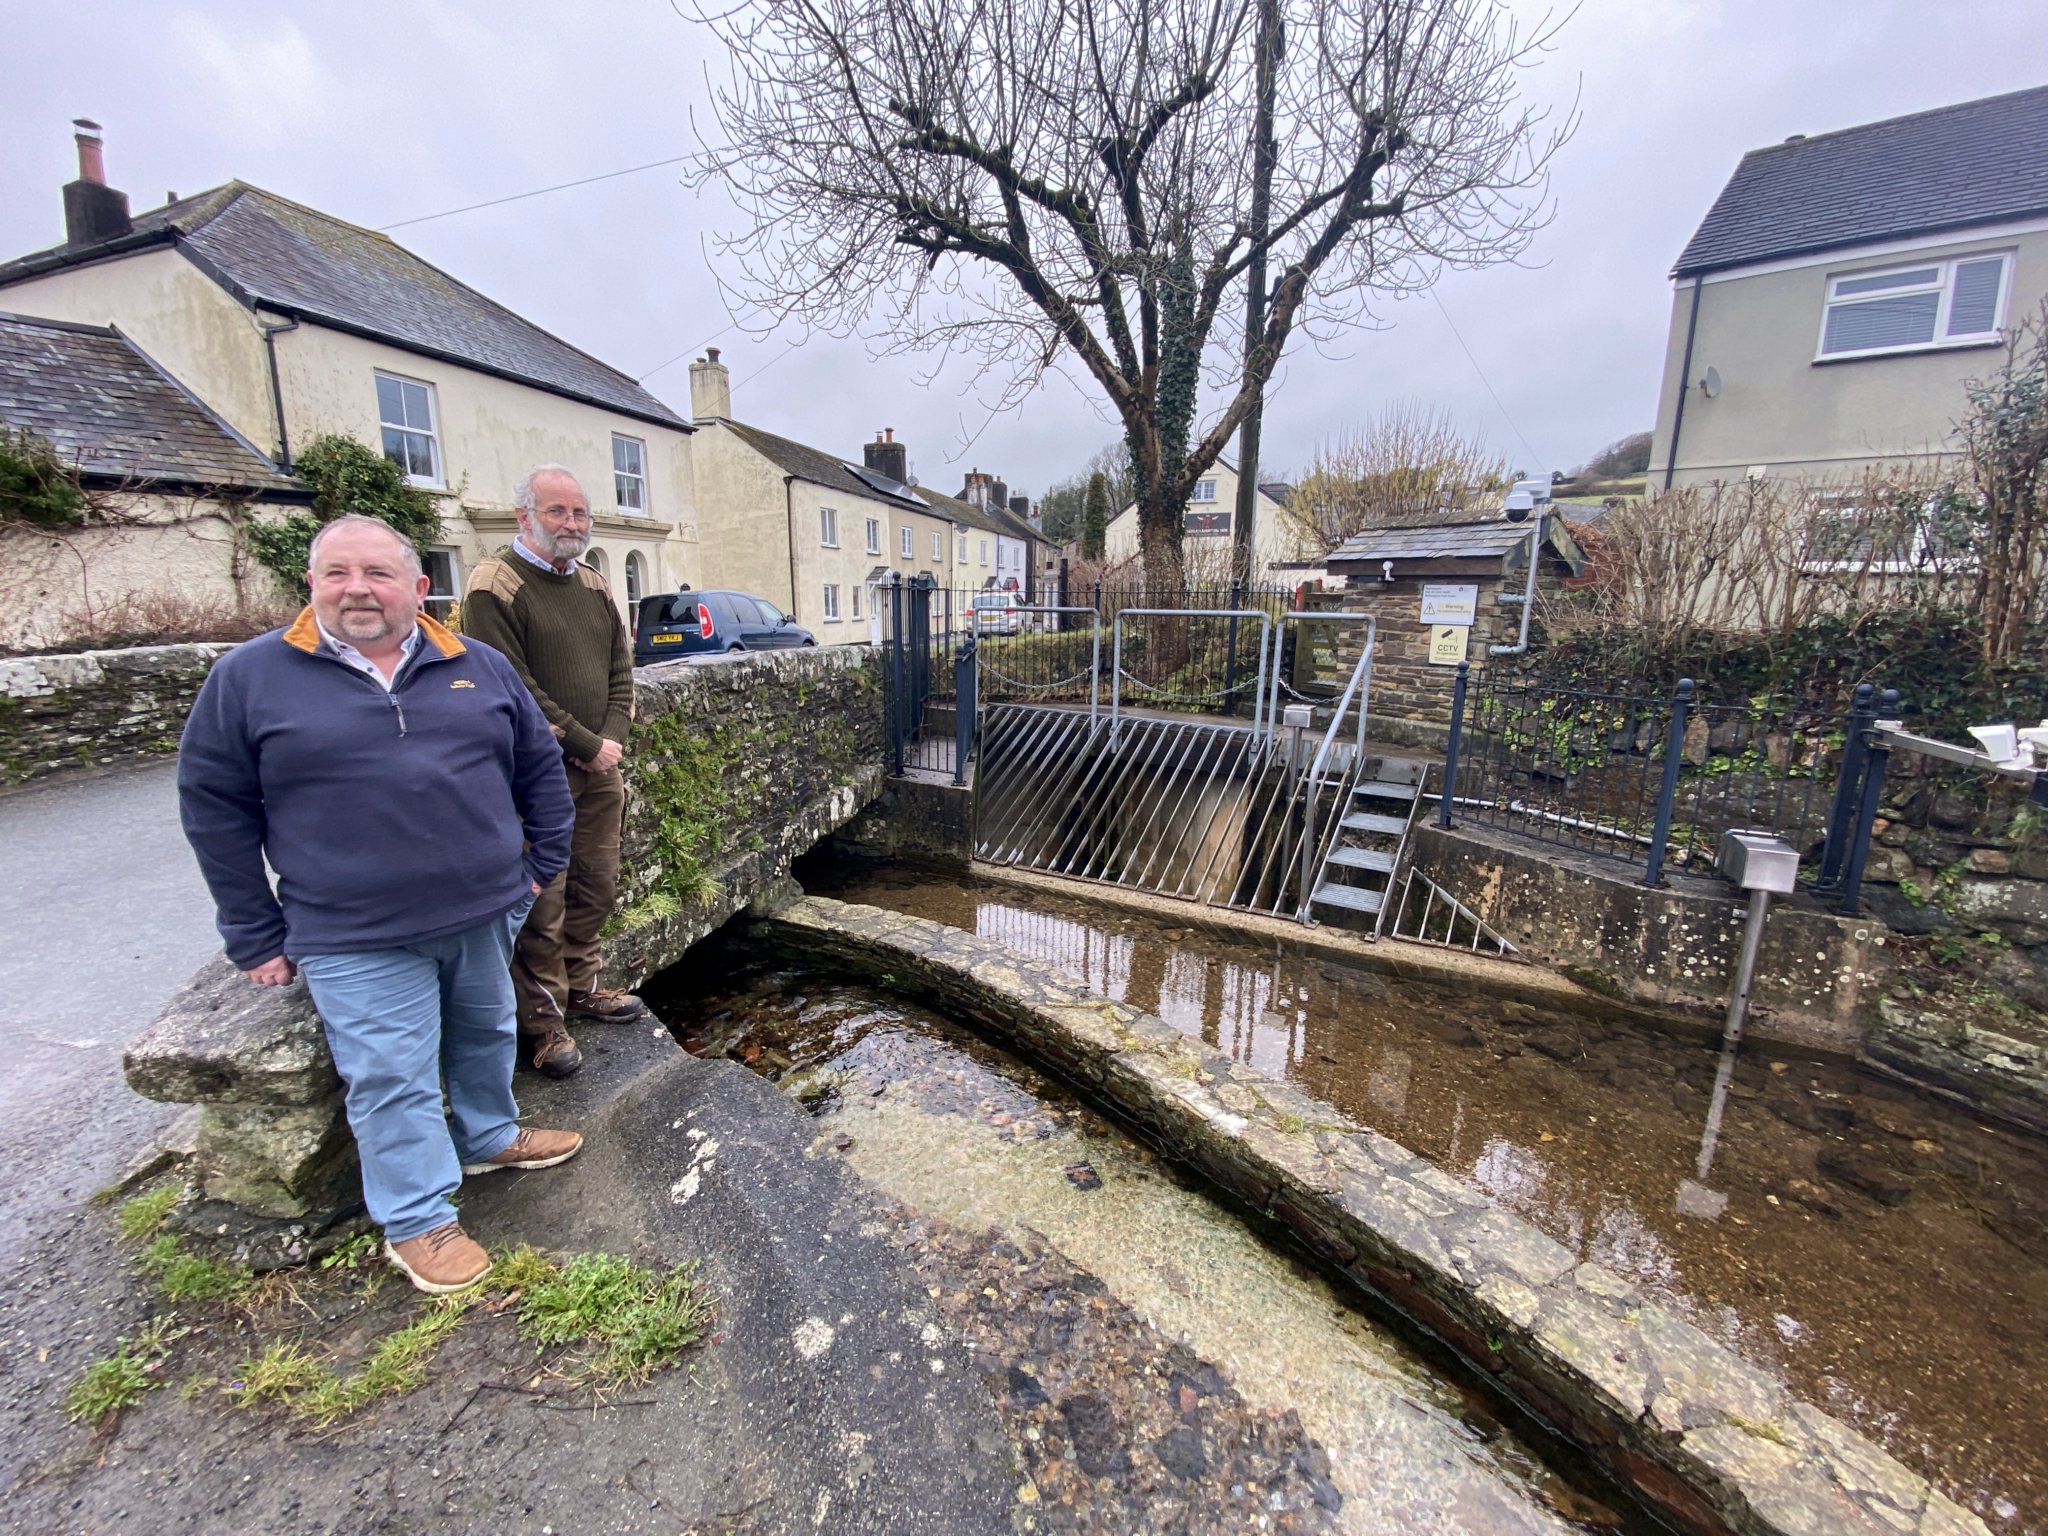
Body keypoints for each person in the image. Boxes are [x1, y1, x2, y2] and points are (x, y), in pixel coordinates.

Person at [178, 514, 581, 1295]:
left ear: (419, 587)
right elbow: (215, 810)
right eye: (337, 573)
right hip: (353, 930)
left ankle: (489, 1135)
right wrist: (253, 931)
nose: (357, 589)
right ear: (312, 584)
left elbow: (539, 768)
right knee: (391, 1074)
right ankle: (418, 1219)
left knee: (485, 1030)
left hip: (485, 907)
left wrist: (541, 866)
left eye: (378, 573)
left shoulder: (478, 664)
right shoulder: (249, 677)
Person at [459, 465, 646, 1083]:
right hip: (532, 775)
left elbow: (623, 668)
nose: (571, 524)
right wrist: (585, 743)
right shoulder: (494, 585)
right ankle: (543, 1025)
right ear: (524, 518)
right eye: (557, 512)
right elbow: (513, 687)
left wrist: (610, 740)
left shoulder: (593, 584)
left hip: (598, 767)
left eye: (579, 513)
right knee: (543, 897)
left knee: (598, 880)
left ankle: (583, 987)